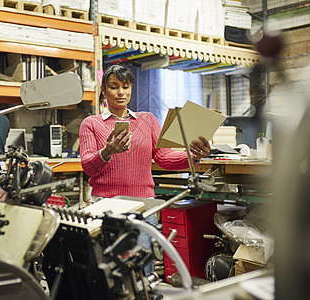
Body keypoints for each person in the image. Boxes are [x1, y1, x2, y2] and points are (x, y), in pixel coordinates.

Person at [79, 64, 211, 277]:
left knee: (141, 273)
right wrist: (107, 151)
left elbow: (164, 158)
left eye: (125, 86)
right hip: (105, 207)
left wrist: (193, 156)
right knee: (110, 273)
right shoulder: (91, 124)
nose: (121, 92)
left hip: (143, 207)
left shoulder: (146, 120)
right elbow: (88, 167)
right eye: (114, 87)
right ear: (103, 90)